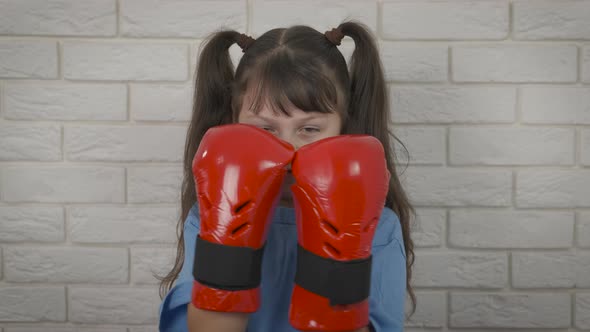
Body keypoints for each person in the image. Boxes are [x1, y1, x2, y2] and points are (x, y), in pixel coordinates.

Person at [158, 20, 416, 332]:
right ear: (233, 125)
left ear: (344, 129)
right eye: (265, 129)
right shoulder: (205, 218)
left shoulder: (378, 228)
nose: (287, 149)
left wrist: (337, 248)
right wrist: (230, 234)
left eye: (309, 129)